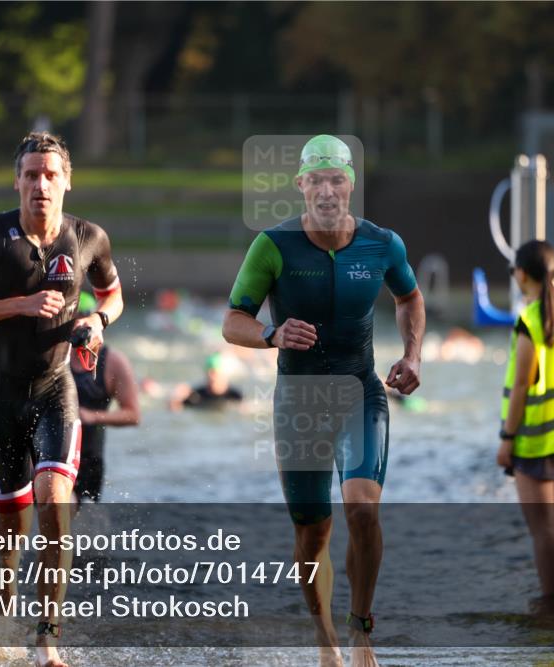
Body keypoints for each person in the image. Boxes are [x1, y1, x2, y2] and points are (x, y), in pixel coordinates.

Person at [222, 134, 425, 667]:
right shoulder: (273, 245)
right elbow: (233, 321)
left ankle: (361, 630)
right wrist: (271, 334)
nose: (328, 191)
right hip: (300, 399)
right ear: (301, 186)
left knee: (362, 508)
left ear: (351, 185)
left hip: (361, 391)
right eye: (318, 180)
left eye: (338, 179)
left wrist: (413, 354)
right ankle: (325, 638)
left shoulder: (383, 244)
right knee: (312, 531)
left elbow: (409, 297)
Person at [0, 131, 123, 667]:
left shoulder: (88, 237)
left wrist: (95, 319)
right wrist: (19, 304)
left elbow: (111, 297)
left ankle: (48, 636)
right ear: (17, 181)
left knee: (54, 502)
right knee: (12, 523)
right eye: (30, 175)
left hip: (55, 389)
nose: (40, 185)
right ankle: (2, 605)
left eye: (50, 175)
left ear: (67, 182)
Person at [496, 240, 554, 599]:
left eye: (513, 269)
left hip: (533, 439)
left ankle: (552, 605)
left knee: (542, 530)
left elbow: (521, 388)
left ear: (522, 274)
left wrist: (507, 438)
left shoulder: (529, 320)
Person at [70, 343, 141, 503]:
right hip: (46, 456)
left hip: (88, 461)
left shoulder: (113, 361)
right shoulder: (53, 353)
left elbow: (133, 415)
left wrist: (91, 416)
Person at [168, 352, 244, 411]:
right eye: (208, 372)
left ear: (224, 375)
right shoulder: (196, 395)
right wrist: (176, 398)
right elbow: (175, 409)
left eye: (214, 373)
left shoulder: (235, 395)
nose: (210, 376)